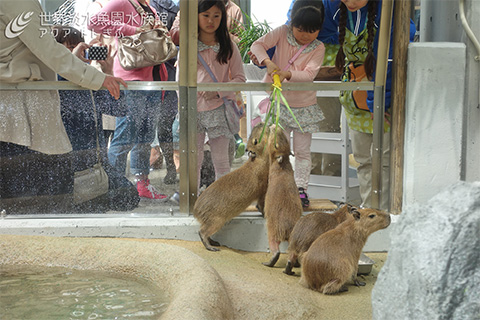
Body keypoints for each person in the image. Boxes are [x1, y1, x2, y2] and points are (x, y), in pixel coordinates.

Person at [0, 0, 126, 213]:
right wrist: (95, 77)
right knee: (40, 199)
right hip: (20, 105)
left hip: (18, 106)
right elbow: (48, 49)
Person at [319, 0, 415, 210]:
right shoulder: (333, 7)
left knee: (386, 161)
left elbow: (390, 61)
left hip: (385, 99)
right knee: (363, 160)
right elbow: (310, 28)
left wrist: (380, 102)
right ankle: (368, 213)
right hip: (354, 99)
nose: (350, 2)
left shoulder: (387, 10)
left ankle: (385, 214)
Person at [88, 0, 170, 201]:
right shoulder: (123, 2)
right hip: (131, 81)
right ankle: (113, 187)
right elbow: (94, 22)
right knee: (125, 137)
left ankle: (142, 185)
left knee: (145, 138)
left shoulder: (149, 7)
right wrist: (131, 29)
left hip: (153, 80)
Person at [53, 25, 140, 212]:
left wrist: (108, 71)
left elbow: (119, 109)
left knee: (129, 197)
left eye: (79, 46)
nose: (77, 52)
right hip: (64, 166)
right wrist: (70, 64)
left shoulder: (90, 79)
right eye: (68, 48)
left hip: (96, 164)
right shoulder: (51, 78)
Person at [250, 0, 326, 208]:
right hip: (279, 105)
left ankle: (301, 189)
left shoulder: (318, 47)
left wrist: (288, 74)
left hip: (304, 106)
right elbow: (256, 45)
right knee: (276, 150)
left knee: (302, 152)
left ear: (319, 29)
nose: (305, 35)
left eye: (311, 31)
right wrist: (268, 62)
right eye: (300, 29)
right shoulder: (282, 32)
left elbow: (310, 74)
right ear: (292, 23)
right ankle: (274, 187)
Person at [192, 0, 246, 188]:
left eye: (216, 16)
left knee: (221, 161)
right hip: (193, 110)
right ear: (196, 16)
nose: (210, 21)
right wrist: (184, 109)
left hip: (220, 110)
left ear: (223, 18)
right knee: (194, 161)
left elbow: (240, 78)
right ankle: (193, 201)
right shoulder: (189, 45)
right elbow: (180, 81)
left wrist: (217, 91)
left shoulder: (229, 45)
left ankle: (221, 202)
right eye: (205, 15)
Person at [149, 0, 180, 185]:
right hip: (152, 72)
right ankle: (166, 166)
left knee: (166, 123)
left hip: (172, 70)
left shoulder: (179, 8)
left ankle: (172, 166)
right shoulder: (145, 6)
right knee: (160, 124)